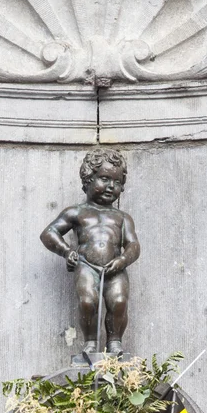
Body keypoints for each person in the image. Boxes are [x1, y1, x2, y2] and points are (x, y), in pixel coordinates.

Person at [40, 148, 140, 354]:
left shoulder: (122, 217)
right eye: (104, 179)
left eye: (118, 182)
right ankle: (90, 343)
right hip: (87, 265)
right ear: (88, 179)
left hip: (116, 268)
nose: (111, 187)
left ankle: (115, 343)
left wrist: (122, 260)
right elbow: (49, 234)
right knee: (87, 301)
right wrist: (67, 251)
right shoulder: (76, 212)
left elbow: (134, 245)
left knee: (119, 302)